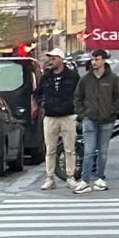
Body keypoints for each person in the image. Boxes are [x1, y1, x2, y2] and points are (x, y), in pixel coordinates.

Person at [73, 47, 119, 193]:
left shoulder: (112, 78)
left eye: (97, 59)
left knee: (103, 151)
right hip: (89, 119)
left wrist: (113, 112)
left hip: (107, 120)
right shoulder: (85, 79)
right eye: (92, 59)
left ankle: (100, 178)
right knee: (89, 151)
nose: (94, 62)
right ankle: (84, 180)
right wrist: (83, 114)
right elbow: (78, 97)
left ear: (103, 61)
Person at [33, 46, 79, 190]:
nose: (51, 61)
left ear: (61, 60)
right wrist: (42, 103)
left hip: (68, 115)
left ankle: (70, 177)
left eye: (53, 58)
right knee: (50, 149)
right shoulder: (46, 77)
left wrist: (76, 108)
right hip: (50, 116)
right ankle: (50, 178)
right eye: (50, 58)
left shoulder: (72, 76)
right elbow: (37, 93)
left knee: (69, 149)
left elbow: (80, 93)